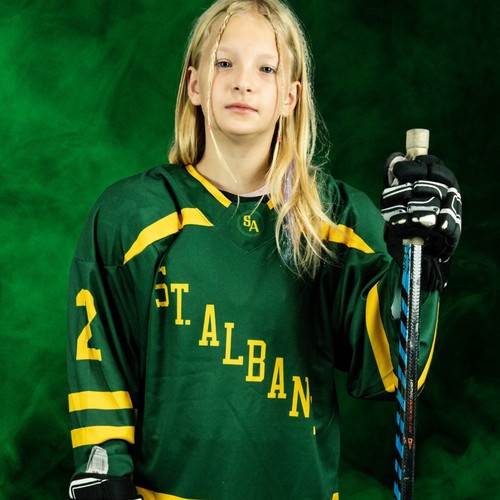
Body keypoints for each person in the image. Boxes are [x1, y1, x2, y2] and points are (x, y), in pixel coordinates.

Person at [66, 0, 462, 499]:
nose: (243, 82)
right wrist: (103, 474)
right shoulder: (132, 215)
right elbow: (99, 358)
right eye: (224, 62)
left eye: (266, 68)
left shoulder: (335, 220)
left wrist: (421, 267)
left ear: (290, 95)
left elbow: (387, 373)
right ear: (193, 84)